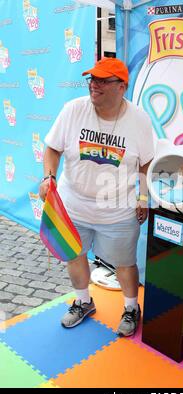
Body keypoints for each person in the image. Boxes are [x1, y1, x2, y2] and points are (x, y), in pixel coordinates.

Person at [39, 57, 154, 337]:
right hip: (73, 204)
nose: (94, 85)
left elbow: (146, 164)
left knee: (125, 263)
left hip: (117, 208)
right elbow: (52, 149)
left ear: (121, 87)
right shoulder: (73, 110)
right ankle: (83, 301)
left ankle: (130, 307)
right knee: (74, 255)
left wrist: (142, 198)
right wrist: (49, 177)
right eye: (92, 79)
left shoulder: (138, 120)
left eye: (103, 80)